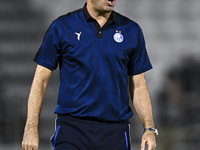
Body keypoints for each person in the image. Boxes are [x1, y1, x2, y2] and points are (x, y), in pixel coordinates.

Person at [22, 0, 157, 150]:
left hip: (115, 133)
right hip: (72, 130)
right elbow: (40, 81)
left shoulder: (131, 30)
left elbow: (138, 85)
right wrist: (31, 129)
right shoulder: (62, 27)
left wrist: (149, 129)